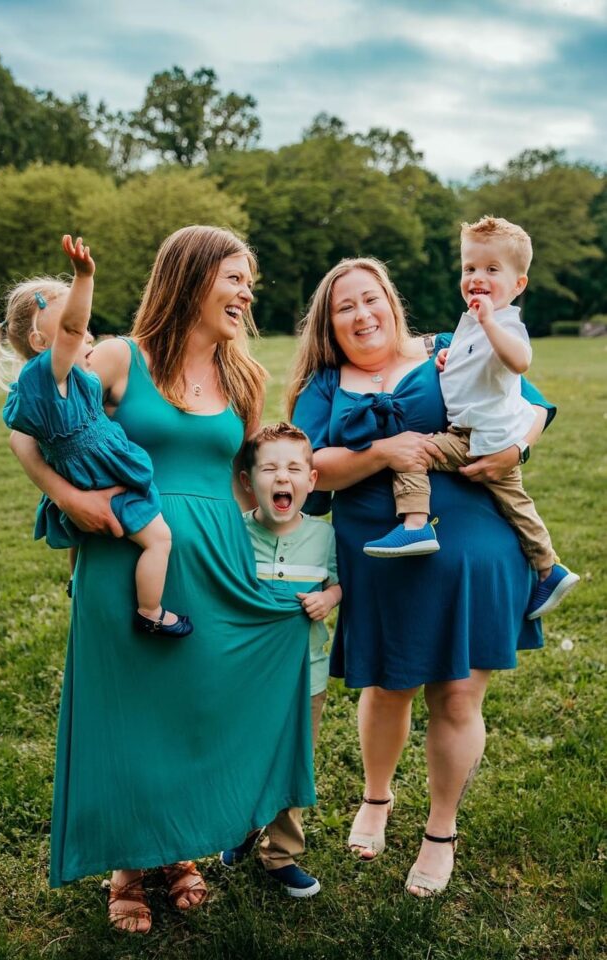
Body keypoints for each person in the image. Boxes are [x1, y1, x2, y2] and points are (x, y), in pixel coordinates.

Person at [9, 226, 314, 934]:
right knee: (131, 715)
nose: (245, 293)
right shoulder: (121, 357)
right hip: (127, 558)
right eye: (234, 278)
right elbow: (32, 421)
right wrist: (67, 498)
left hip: (215, 564)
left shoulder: (246, 378)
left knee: (193, 707)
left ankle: (178, 852)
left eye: (249, 282)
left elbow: (244, 483)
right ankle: (124, 870)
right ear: (191, 276)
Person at [288, 255, 555, 897]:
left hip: (474, 546)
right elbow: (309, 468)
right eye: (344, 306)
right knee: (388, 685)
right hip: (379, 557)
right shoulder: (325, 383)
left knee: (459, 694)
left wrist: (514, 449)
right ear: (328, 323)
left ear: (391, 300)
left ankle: (441, 829)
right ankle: (376, 798)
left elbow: (532, 404)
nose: (361, 314)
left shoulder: (452, 344)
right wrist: (381, 453)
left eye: (370, 298)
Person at [363, 217, 579, 621]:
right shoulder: (473, 326)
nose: (477, 277)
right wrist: (449, 359)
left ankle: (414, 524)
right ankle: (550, 569)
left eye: (491, 270)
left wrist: (488, 323)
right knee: (516, 504)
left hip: (477, 435)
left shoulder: (505, 323)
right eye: (469, 269)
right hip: (490, 433)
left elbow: (519, 360)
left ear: (518, 285)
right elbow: (476, 366)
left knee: (415, 452)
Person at [0, 235, 191, 638]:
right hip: (99, 475)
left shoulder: (57, 384)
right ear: (41, 342)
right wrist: (84, 277)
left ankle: (77, 581)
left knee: (78, 537)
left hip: (81, 472)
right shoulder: (49, 376)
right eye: (78, 333)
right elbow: (70, 325)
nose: (87, 337)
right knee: (159, 540)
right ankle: (151, 611)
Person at [220, 423, 341, 898]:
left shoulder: (325, 537)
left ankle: (281, 853)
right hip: (245, 678)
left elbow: (340, 582)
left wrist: (329, 598)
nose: (281, 477)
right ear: (249, 481)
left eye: (294, 468)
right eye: (269, 468)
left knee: (294, 761)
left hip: (303, 675)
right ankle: (241, 829)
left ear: (312, 480)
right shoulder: (233, 535)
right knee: (244, 756)